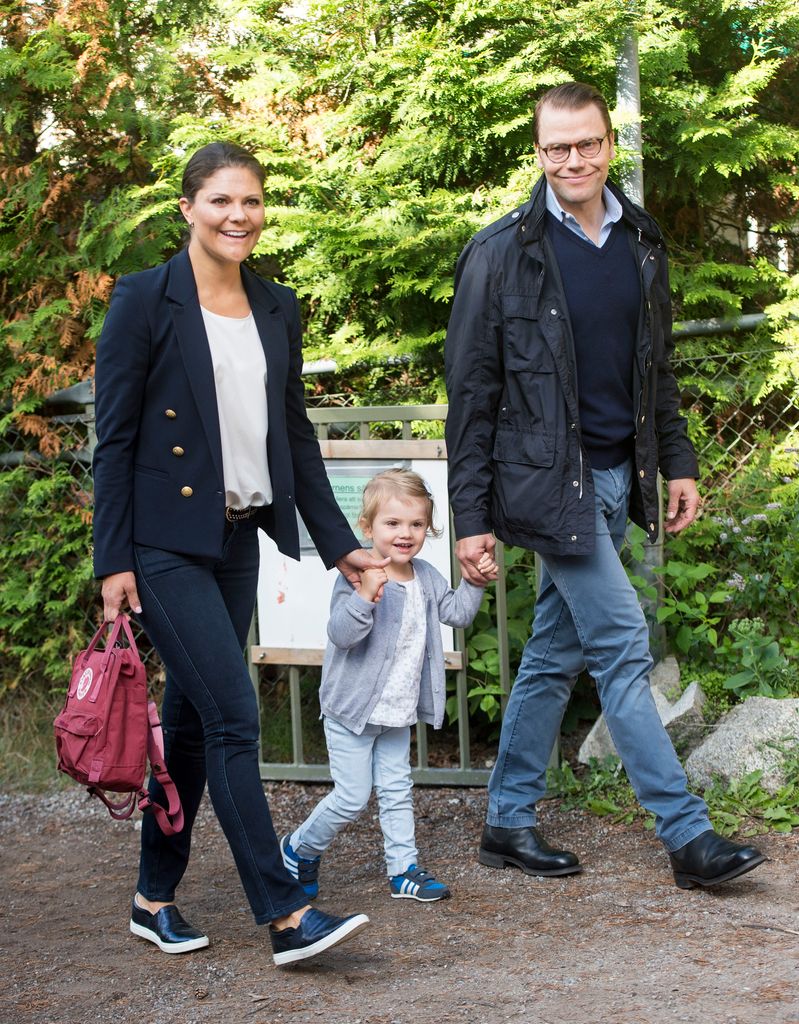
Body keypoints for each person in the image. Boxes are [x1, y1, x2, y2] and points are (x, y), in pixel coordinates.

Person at [444, 82, 765, 889]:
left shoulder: (640, 242)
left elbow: (655, 371)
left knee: (553, 654)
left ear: (609, 146)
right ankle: (688, 838)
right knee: (622, 646)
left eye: (586, 143)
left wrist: (679, 462)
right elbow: (472, 394)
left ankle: (506, 822)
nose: (573, 160)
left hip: (623, 475)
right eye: (556, 147)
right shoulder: (500, 252)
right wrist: (469, 517)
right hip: (551, 485)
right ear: (538, 152)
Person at [93, 141, 389, 966]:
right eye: (221, 200)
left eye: (252, 201)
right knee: (231, 715)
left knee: (189, 724)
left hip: (235, 540)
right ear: (187, 207)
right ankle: (286, 913)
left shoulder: (276, 306)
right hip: (161, 543)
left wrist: (340, 548)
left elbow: (291, 434)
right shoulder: (145, 300)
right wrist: (111, 560)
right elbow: (112, 439)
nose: (238, 216)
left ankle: (153, 899)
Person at [281, 469, 496, 902]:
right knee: (352, 797)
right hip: (351, 712)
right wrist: (365, 597)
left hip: (397, 711)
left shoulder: (428, 576)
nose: (406, 533)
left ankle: (404, 871)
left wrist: (473, 580)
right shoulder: (357, 576)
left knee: (397, 791)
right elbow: (342, 635)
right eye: (393, 523)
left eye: (416, 524)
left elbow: (456, 614)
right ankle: (297, 848)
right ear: (368, 528)